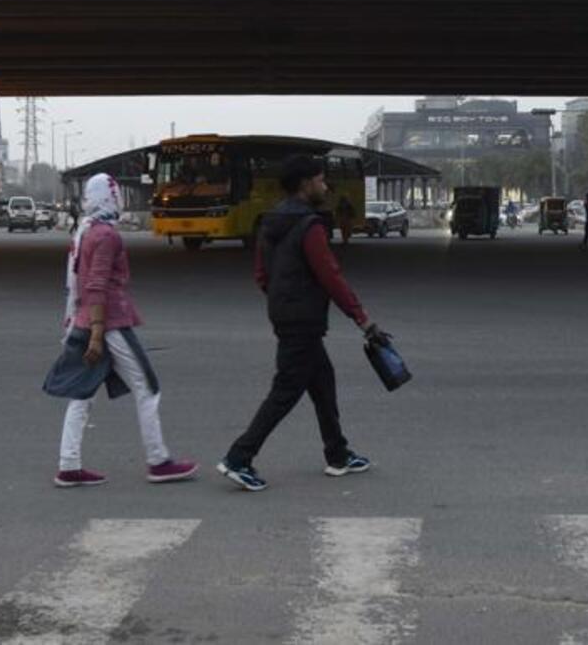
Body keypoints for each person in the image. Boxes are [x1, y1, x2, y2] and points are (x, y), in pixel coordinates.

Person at [218, 154, 382, 493]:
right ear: (306, 184)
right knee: (286, 390)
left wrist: (282, 299)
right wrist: (361, 318)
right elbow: (330, 276)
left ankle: (338, 454)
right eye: (321, 180)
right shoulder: (310, 226)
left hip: (285, 312)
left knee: (322, 382)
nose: (325, 185)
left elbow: (261, 274)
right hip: (304, 318)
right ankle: (239, 457)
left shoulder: (270, 221)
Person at [45, 173, 197, 488]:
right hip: (109, 322)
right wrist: (99, 335)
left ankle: (68, 465)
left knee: (82, 393)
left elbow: (83, 284)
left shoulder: (85, 231)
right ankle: (158, 460)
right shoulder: (107, 236)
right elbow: (97, 284)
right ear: (109, 198)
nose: (118, 199)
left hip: (85, 319)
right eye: (115, 194)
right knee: (147, 387)